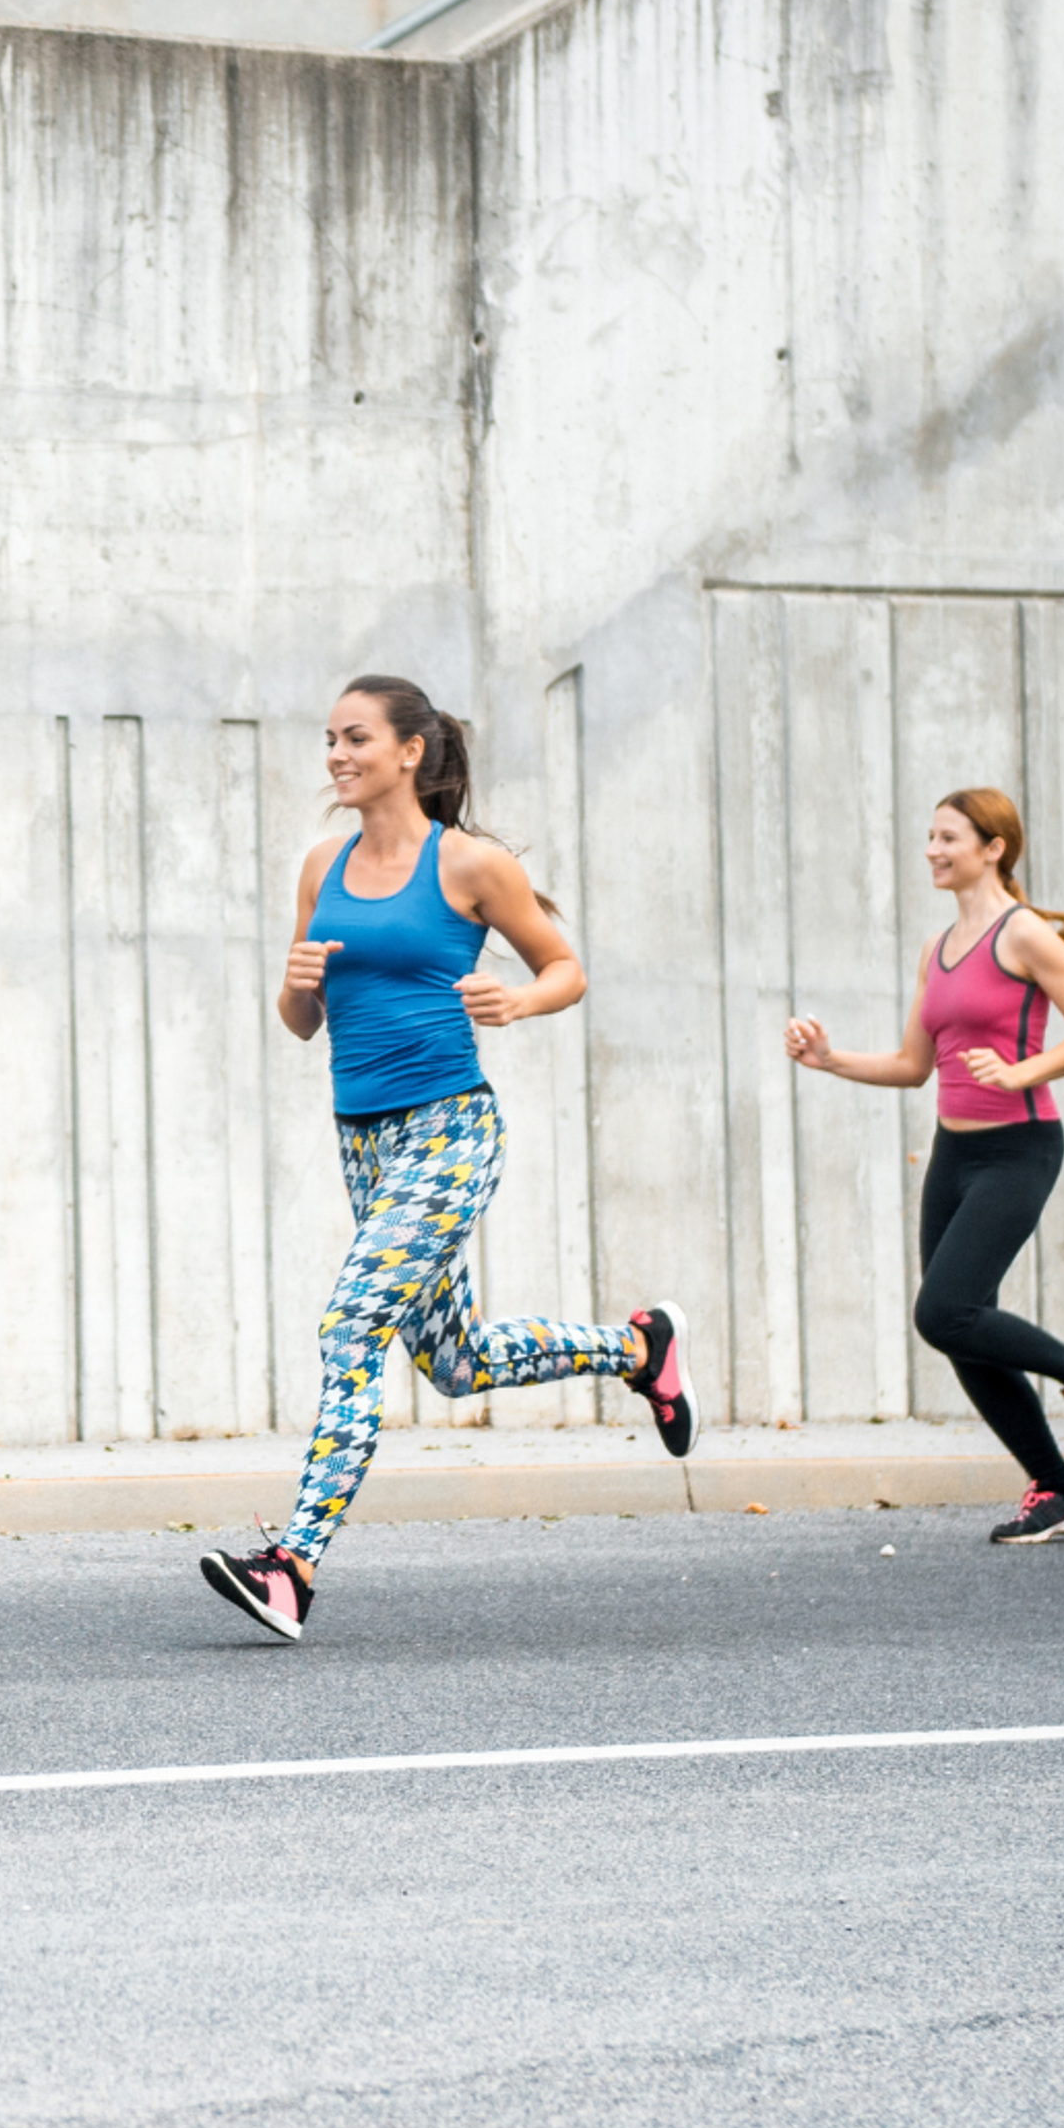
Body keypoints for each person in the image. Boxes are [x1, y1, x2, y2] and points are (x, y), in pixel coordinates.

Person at [199, 677, 693, 1641]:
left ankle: (292, 1565)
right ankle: (640, 1349)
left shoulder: (469, 864)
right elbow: (303, 1025)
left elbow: (566, 969)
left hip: (450, 1131)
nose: (337, 756)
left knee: (351, 1327)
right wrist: (295, 987)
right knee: (456, 1363)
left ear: (410, 751)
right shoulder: (320, 866)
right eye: (330, 740)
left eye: (356, 739)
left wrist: (520, 1002)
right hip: (365, 1141)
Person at [786, 789, 1064, 1544]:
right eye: (930, 837)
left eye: (949, 838)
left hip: (1019, 1149)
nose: (934, 850)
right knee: (958, 1327)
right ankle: (1060, 1491)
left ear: (993, 847)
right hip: (955, 1155)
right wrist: (830, 1058)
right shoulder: (936, 949)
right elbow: (914, 1066)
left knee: (944, 1310)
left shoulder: (1025, 935)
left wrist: (1021, 1073)